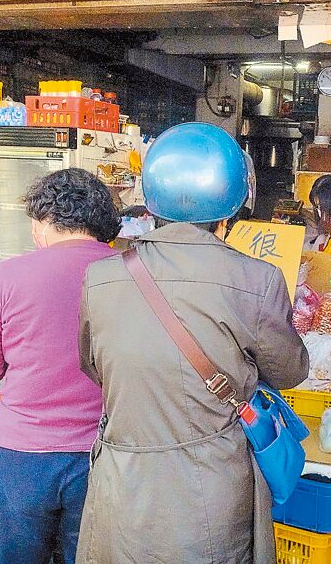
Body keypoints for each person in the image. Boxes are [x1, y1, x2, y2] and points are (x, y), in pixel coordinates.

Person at [76, 122, 310, 564]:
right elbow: (290, 371)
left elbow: (92, 366)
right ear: (232, 207)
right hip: (212, 489)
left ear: (151, 201)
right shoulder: (257, 280)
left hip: (122, 485)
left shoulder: (100, 277)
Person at [0, 168, 119, 564]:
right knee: (90, 553)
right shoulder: (131, 273)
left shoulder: (10, 275)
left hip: (24, 451)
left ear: (44, 222)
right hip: (105, 449)